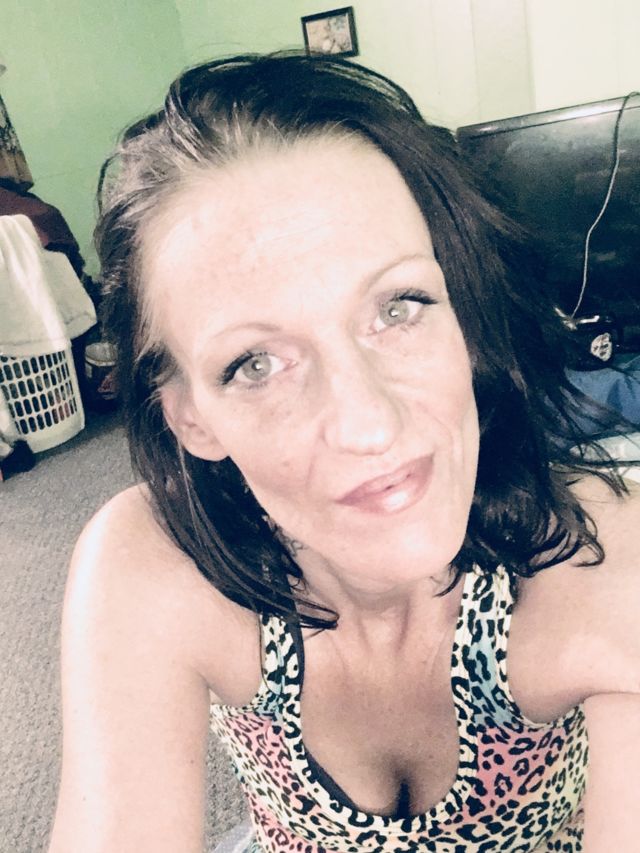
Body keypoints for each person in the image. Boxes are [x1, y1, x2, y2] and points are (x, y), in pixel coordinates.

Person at [47, 53, 640, 853]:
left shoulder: (602, 559)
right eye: (255, 363)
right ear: (190, 417)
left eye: (399, 306)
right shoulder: (153, 560)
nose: (369, 424)